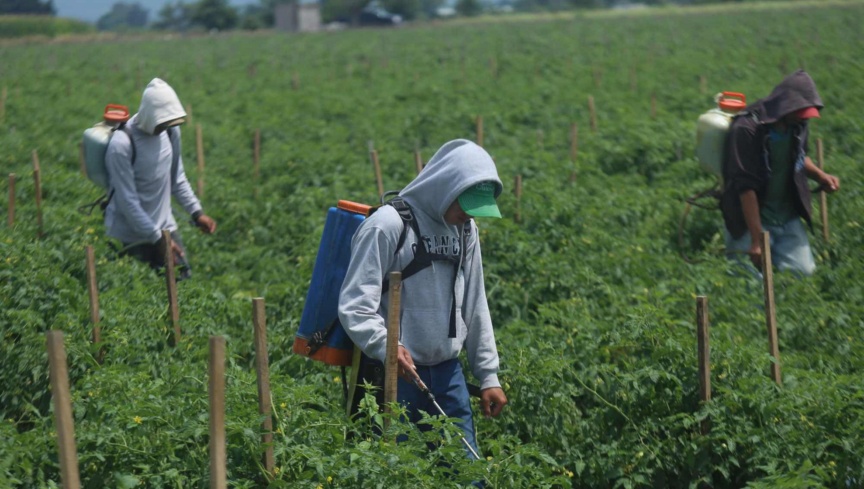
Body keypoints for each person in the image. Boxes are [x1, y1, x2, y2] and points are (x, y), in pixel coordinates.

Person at [338, 139, 508, 458]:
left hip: (448, 374)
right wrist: (387, 345)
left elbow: (475, 303)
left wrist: (488, 376)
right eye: (465, 205)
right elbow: (355, 305)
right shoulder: (388, 225)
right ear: (446, 188)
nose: (469, 215)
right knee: (397, 471)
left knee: (465, 473)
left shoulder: (466, 231)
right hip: (393, 374)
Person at [720, 70, 839, 277]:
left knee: (803, 274)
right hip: (749, 220)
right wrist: (757, 241)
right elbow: (745, 187)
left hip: (785, 215)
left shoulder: (797, 125)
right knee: (748, 283)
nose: (804, 119)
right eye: (800, 113)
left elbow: (799, 157)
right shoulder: (747, 128)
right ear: (787, 105)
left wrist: (821, 176)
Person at [104, 78, 216, 280]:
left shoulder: (171, 131)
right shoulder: (122, 144)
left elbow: (177, 178)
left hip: (165, 229)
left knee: (181, 288)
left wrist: (196, 212)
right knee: (135, 296)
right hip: (129, 238)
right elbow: (127, 202)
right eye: (161, 123)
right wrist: (158, 239)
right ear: (150, 114)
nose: (164, 127)